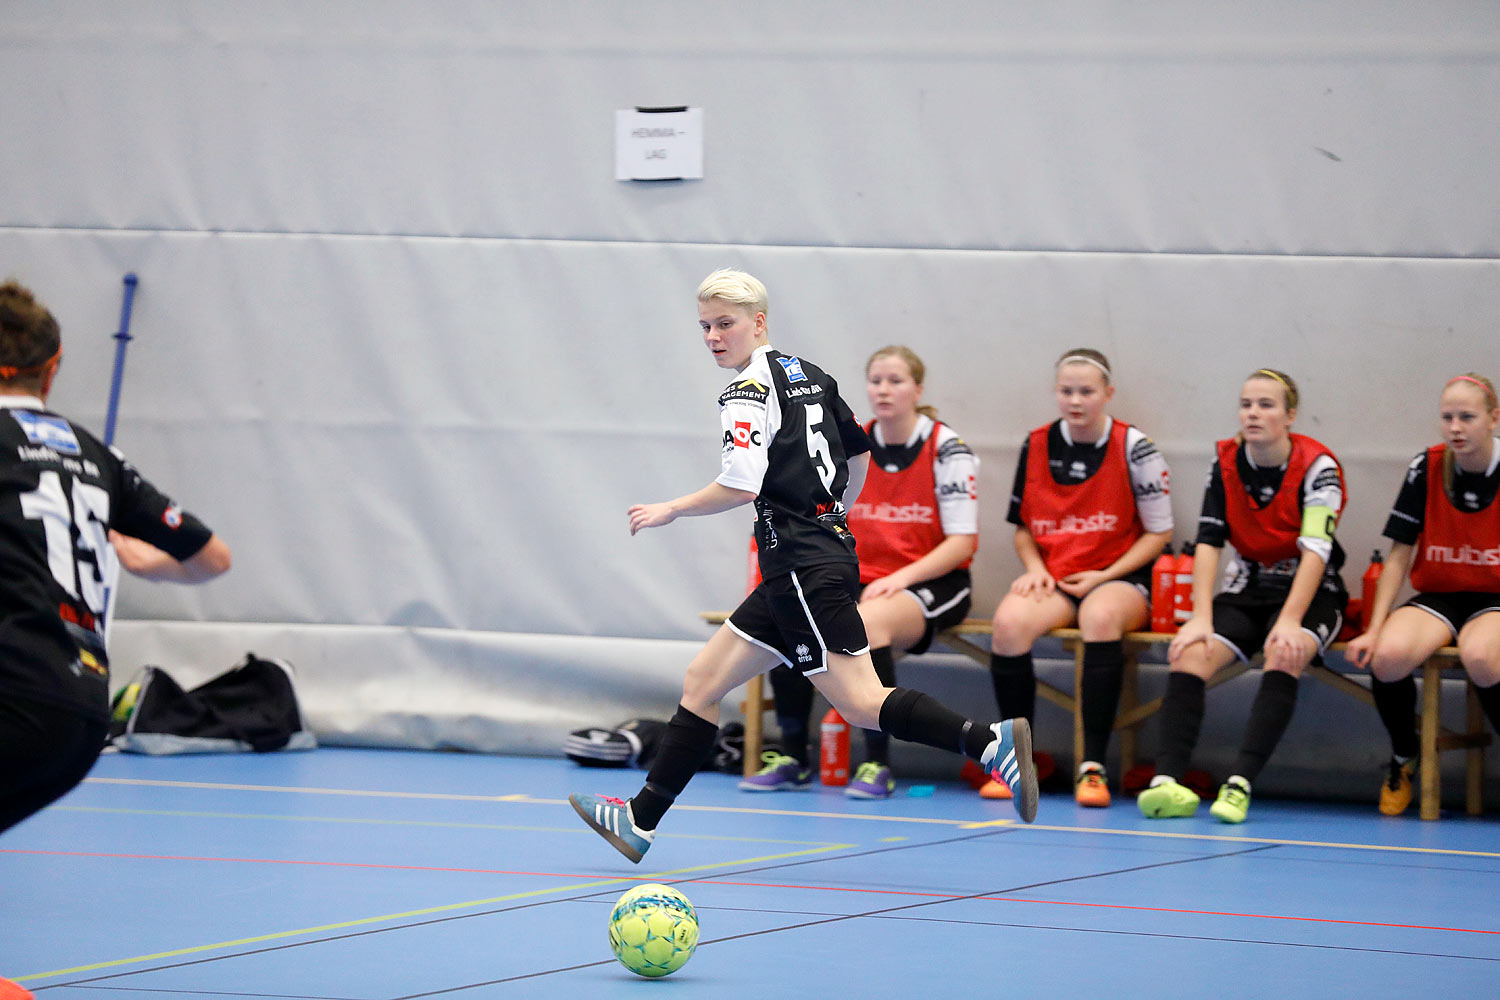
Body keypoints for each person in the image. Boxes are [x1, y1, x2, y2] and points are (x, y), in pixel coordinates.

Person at [569, 269, 1038, 864]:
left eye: (726, 324)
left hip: (800, 567)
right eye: (705, 327)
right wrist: (835, 512)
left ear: (759, 322)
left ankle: (989, 743)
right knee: (703, 682)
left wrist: (672, 509)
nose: (714, 337)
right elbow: (859, 454)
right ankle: (640, 819)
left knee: (862, 702)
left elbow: (740, 485)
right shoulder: (808, 374)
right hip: (804, 562)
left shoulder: (745, 393)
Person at [0, 279, 231, 844]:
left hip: (12, 693)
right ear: (51, 369)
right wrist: (142, 561)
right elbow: (212, 559)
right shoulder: (96, 454)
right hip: (80, 719)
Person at [743, 345, 979, 800]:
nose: (884, 390)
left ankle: (877, 762)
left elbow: (962, 544)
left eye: (896, 381)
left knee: (870, 622)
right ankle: (792, 756)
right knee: (790, 612)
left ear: (918, 389)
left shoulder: (947, 448)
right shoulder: (847, 440)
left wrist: (902, 579)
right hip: (859, 578)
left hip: (929, 582)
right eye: (876, 381)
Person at [1140, 368, 1347, 824]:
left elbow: (1316, 551)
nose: (1254, 413)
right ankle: (1166, 783)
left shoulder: (1319, 468)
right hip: (1249, 587)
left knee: (1283, 650)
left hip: (1311, 591)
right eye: (1247, 404)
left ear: (1290, 415)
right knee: (1190, 653)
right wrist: (1200, 615)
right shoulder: (1227, 460)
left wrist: (1291, 620)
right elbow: (1210, 541)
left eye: (1266, 405)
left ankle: (1239, 784)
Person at [985, 348, 1173, 807]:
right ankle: (1015, 764)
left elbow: (1160, 532)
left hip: (1120, 576)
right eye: (1067, 391)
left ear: (1107, 394)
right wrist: (1035, 570)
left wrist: (1104, 575)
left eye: (1086, 391)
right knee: (1008, 625)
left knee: (1101, 618)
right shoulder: (1036, 444)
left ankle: (1093, 767)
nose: (1076, 400)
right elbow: (1024, 528)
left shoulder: (1135, 447)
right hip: (1058, 575)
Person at [1346, 373, 1500, 815]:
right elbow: (1398, 555)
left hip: (1494, 597)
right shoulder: (1426, 467)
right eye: (1447, 417)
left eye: (1467, 417)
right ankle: (1402, 756)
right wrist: (1375, 627)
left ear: (1492, 419)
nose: (1455, 427)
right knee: (1387, 657)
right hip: (1441, 594)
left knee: (1483, 657)